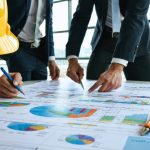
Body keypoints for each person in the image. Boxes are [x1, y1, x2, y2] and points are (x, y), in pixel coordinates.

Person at [66, 0, 150, 92]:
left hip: (137, 40)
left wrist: (116, 66)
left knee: (144, 90)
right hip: (105, 39)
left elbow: (135, 17)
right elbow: (81, 17)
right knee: (94, 86)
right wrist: (72, 58)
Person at [5, 0, 60, 81]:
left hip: (39, 52)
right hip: (19, 49)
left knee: (42, 90)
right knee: (22, 90)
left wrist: (51, 58)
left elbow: (49, 26)